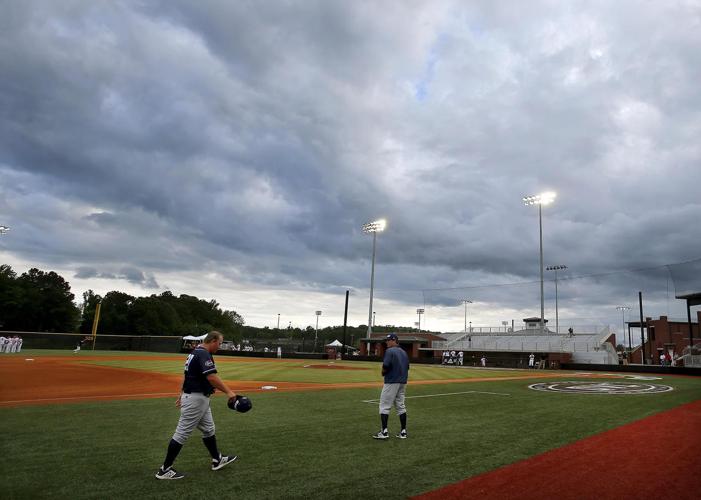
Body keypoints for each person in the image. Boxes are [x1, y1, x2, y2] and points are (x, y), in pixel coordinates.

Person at [155, 331, 238, 480]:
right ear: (212, 341)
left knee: (209, 429)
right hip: (196, 398)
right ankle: (165, 469)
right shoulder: (203, 354)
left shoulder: (196, 352)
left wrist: (181, 392)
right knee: (182, 433)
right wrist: (229, 392)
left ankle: (216, 459)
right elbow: (211, 376)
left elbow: (187, 374)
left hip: (198, 397)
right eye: (219, 343)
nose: (219, 346)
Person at [373, 333, 409, 440]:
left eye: (389, 340)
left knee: (384, 405)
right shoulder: (403, 352)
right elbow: (407, 367)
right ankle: (403, 432)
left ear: (394, 340)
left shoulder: (389, 351)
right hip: (402, 382)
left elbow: (386, 365)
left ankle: (384, 432)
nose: (387, 342)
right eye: (387, 340)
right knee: (400, 406)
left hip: (391, 381)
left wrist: (383, 372)